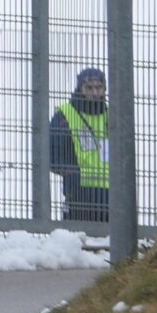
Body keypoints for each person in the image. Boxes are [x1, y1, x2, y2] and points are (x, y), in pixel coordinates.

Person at [48, 66, 111, 223]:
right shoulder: (66, 115)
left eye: (99, 88)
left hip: (110, 196)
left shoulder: (113, 116)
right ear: (80, 88)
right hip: (78, 195)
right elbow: (51, 154)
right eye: (89, 88)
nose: (95, 93)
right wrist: (71, 173)